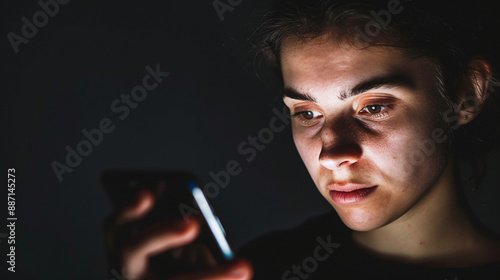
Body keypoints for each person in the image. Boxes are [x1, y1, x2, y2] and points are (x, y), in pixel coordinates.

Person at [103, 0, 500, 279]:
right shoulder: (258, 269)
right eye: (307, 114)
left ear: (466, 94)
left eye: (374, 107)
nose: (332, 153)